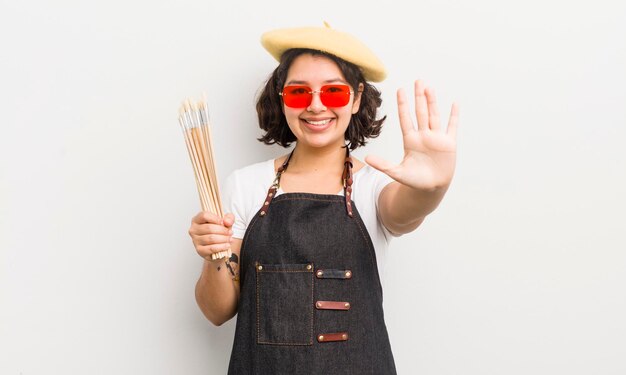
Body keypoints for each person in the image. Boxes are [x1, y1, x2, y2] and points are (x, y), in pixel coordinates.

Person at [188, 23, 459, 374]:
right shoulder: (245, 186)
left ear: (357, 97)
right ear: (282, 98)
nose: (316, 107)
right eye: (300, 93)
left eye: (333, 92)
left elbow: (405, 211)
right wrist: (213, 257)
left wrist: (431, 188)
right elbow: (217, 311)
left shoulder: (374, 186)